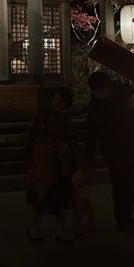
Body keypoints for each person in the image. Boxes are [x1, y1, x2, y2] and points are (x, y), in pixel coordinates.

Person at [83, 71, 134, 231]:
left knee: (133, 182)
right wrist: (87, 157)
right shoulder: (96, 105)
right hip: (113, 151)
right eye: (95, 92)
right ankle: (122, 218)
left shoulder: (127, 94)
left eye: (100, 91)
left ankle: (126, 213)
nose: (98, 95)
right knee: (119, 185)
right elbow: (92, 132)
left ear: (107, 86)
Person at [26, 87, 78, 242]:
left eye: (60, 101)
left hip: (58, 162)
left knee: (59, 198)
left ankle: (60, 230)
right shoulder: (43, 115)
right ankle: (34, 227)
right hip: (43, 161)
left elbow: (70, 141)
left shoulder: (65, 120)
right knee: (39, 197)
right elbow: (32, 135)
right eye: (55, 99)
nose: (57, 103)